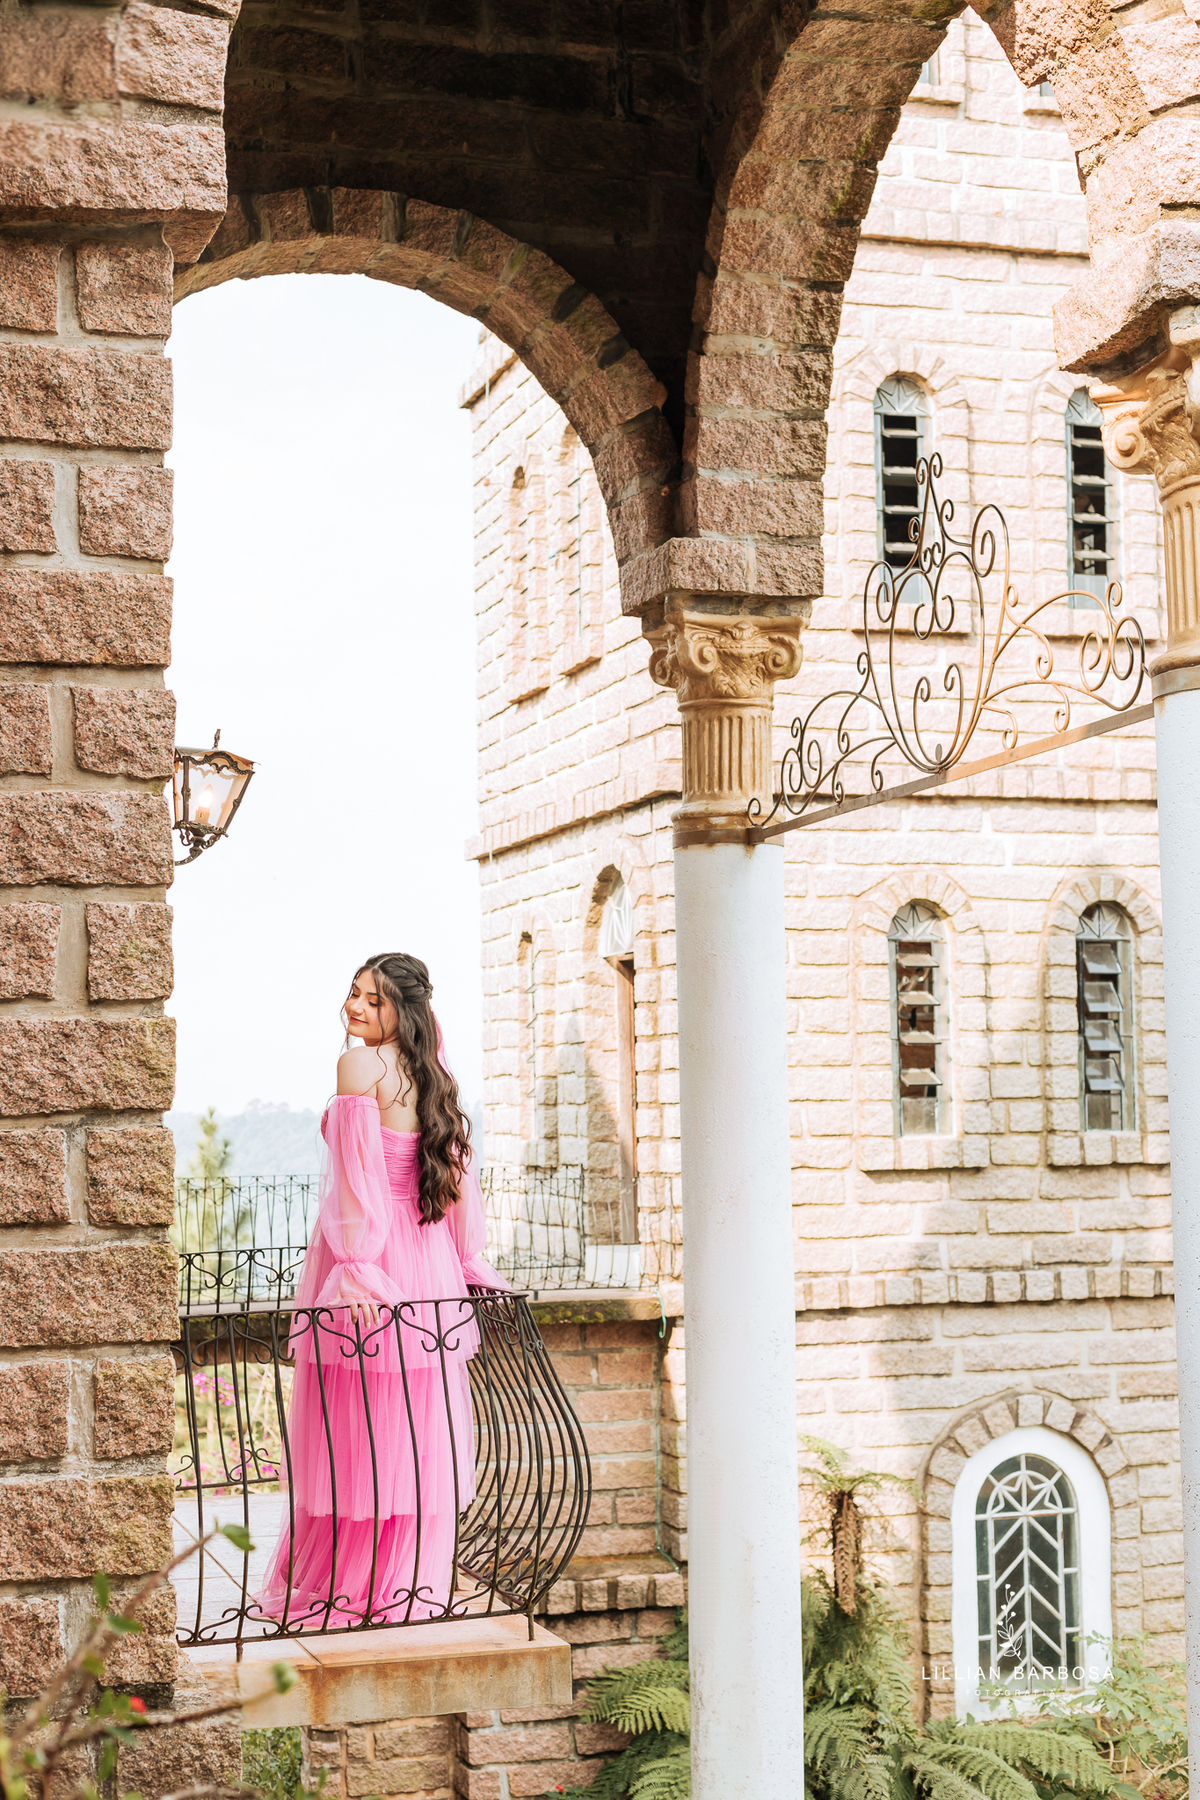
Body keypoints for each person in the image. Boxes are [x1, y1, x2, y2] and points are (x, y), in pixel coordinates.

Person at [256, 952, 507, 1628]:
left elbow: (355, 1181)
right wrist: (467, 1262)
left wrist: (358, 1264)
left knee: (355, 1430)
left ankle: (349, 1583)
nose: (355, 1008)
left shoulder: (358, 1067)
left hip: (371, 1255)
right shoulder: (435, 1076)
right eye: (353, 994)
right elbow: (455, 1181)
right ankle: (407, 1585)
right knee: (409, 1431)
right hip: (427, 1256)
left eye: (372, 1000)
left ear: (403, 1009)